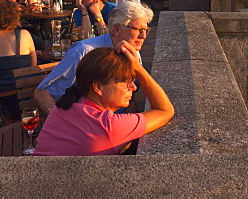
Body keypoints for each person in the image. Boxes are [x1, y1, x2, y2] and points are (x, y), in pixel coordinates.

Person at [34, 43, 174, 156]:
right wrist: (138, 69)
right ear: (98, 87)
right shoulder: (108, 125)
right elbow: (164, 110)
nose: (133, 87)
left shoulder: (62, 108)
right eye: (126, 82)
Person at [34, 1, 154, 112]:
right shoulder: (84, 51)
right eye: (138, 30)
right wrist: (63, 124)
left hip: (117, 124)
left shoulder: (132, 52)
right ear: (117, 29)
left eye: (146, 30)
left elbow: (131, 98)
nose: (143, 36)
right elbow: (42, 93)